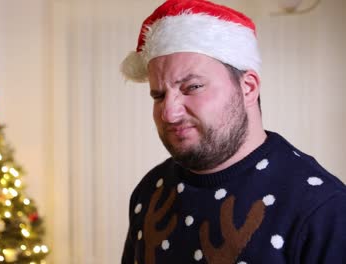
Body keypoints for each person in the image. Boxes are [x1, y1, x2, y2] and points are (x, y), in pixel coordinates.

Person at [120, 0, 346, 263]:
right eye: (158, 95)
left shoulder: (323, 209)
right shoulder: (150, 190)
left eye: (192, 87)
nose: (169, 113)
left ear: (248, 88)